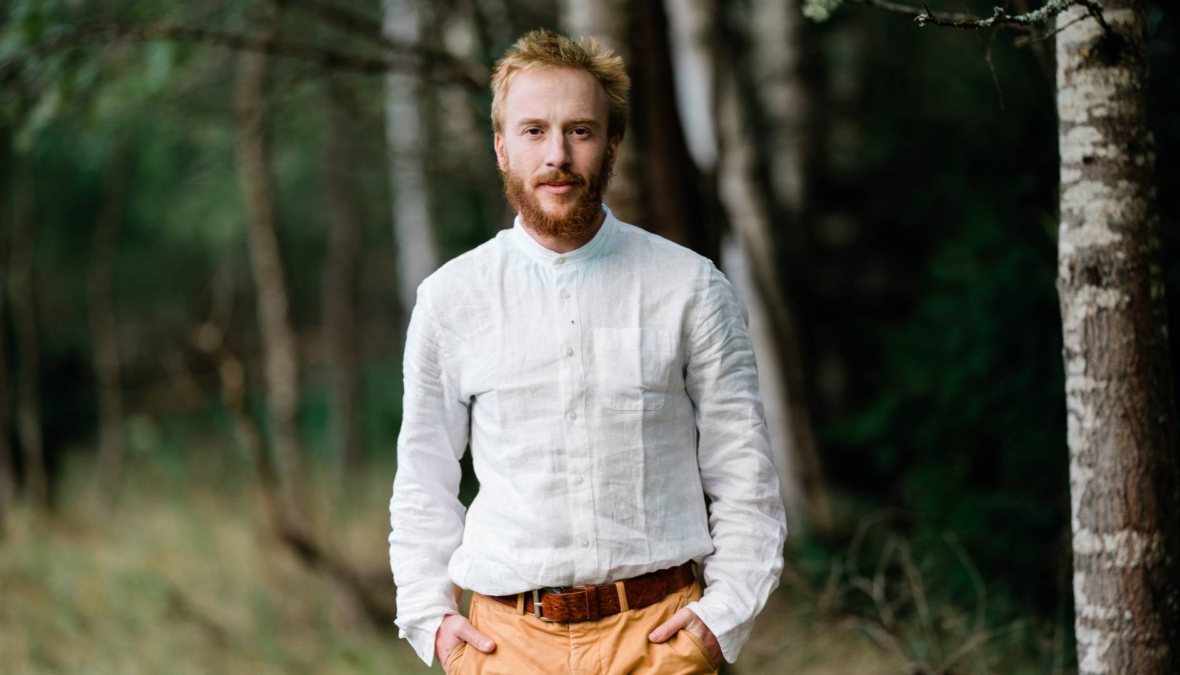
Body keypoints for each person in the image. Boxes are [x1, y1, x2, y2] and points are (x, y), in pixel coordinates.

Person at [388, 28, 787, 674]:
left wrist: (719, 621)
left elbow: (745, 476)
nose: (557, 155)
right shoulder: (450, 300)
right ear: (501, 146)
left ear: (612, 145)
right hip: (503, 648)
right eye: (533, 131)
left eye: (580, 130)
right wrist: (432, 623)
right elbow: (423, 480)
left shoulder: (691, 288)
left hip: (660, 642)